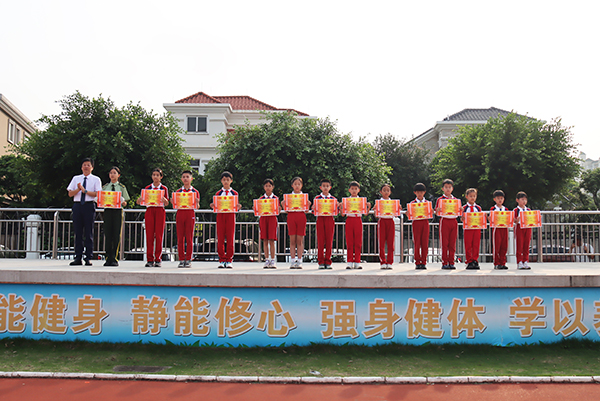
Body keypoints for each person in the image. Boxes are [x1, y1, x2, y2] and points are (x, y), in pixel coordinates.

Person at [67, 158, 102, 266]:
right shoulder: (76, 178)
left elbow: (97, 194)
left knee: (89, 232)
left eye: (88, 165)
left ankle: (88, 257)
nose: (86, 167)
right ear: (81, 167)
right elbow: (70, 193)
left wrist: (85, 191)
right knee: (78, 232)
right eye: (84, 165)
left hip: (89, 205)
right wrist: (79, 189)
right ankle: (78, 257)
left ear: (92, 167)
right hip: (78, 205)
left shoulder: (96, 179)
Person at [136, 168, 169, 267]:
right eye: (154, 175)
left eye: (157, 175)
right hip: (150, 210)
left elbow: (167, 203)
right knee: (149, 235)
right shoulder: (147, 188)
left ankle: (158, 259)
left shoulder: (164, 188)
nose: (155, 177)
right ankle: (150, 259)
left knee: (159, 235)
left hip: (159, 210)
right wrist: (139, 200)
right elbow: (140, 202)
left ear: (161, 177)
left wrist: (165, 200)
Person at [210, 171, 241, 269]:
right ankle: (221, 259)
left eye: (228, 180)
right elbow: (215, 205)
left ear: (231, 181)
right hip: (220, 216)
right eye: (224, 180)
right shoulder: (218, 193)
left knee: (230, 238)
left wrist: (238, 207)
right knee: (220, 238)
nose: (226, 182)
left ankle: (229, 260)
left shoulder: (234, 193)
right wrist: (213, 206)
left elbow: (236, 206)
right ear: (221, 181)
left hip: (230, 216)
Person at [101, 166, 130, 267]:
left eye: (114, 173)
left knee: (116, 235)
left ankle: (114, 258)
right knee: (108, 234)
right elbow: (101, 199)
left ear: (118, 175)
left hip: (117, 211)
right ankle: (108, 257)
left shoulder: (121, 187)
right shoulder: (105, 187)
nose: (112, 175)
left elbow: (125, 201)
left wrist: (123, 202)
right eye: (111, 173)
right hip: (108, 210)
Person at [281, 177, 310, 269]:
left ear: (301, 186)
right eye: (295, 184)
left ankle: (300, 260)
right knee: (292, 239)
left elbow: (306, 210)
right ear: (292, 185)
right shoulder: (289, 197)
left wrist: (308, 205)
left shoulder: (304, 197)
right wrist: (283, 205)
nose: (297, 186)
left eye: (299, 184)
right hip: (291, 216)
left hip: (301, 216)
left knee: (300, 240)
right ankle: (293, 261)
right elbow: (286, 210)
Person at [174, 170, 200, 268]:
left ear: (191, 179)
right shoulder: (178, 192)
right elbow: (175, 205)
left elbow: (197, 207)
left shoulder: (195, 192)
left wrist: (197, 202)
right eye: (184, 177)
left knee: (189, 237)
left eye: (187, 177)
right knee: (180, 237)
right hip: (180, 213)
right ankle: (181, 259)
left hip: (190, 213)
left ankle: (188, 259)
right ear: (181, 179)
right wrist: (173, 201)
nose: (185, 179)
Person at [342, 181, 370, 270]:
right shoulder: (346, 201)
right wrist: (341, 207)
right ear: (349, 190)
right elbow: (342, 214)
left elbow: (365, 214)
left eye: (355, 189)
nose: (354, 190)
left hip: (358, 220)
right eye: (352, 189)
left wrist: (368, 207)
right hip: (349, 219)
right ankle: (350, 261)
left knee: (358, 242)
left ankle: (357, 261)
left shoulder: (361, 201)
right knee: (349, 241)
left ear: (359, 190)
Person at [313, 178, 337, 269]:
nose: (325, 188)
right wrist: (313, 208)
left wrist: (338, 207)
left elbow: (337, 212)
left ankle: (328, 261)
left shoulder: (333, 199)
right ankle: (321, 262)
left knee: (329, 241)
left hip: (329, 219)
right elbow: (314, 212)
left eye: (327, 186)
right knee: (320, 240)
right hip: (320, 218)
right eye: (324, 186)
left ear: (330, 187)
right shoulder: (317, 198)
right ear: (320, 187)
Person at [435, 179, 459, 270]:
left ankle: (451, 262)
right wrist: (437, 211)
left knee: (452, 243)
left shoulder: (456, 200)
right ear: (443, 189)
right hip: (444, 220)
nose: (448, 189)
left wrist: (460, 209)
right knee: (444, 243)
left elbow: (459, 212)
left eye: (449, 187)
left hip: (453, 220)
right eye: (446, 187)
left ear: (452, 188)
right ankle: (445, 262)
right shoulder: (440, 199)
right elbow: (436, 213)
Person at [377, 183, 399, 270]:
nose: (386, 192)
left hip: (390, 221)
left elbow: (396, 214)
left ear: (390, 192)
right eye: (384, 190)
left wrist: (398, 208)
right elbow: (376, 215)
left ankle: (390, 262)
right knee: (381, 243)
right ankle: (383, 262)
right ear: (381, 192)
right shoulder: (379, 203)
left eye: (388, 190)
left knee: (391, 243)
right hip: (382, 221)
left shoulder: (393, 203)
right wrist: (375, 209)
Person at [257, 178, 279, 269]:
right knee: (265, 240)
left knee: (272, 240)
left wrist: (279, 208)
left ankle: (273, 260)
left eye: (270, 186)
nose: (268, 187)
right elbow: (258, 210)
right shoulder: (261, 199)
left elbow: (278, 210)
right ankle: (266, 259)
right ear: (264, 187)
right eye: (266, 186)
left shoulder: (275, 198)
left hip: (272, 219)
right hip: (263, 219)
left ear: (273, 187)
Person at [410, 183, 430, 270]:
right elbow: (410, 214)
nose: (420, 194)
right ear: (415, 193)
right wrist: (408, 213)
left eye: (421, 192)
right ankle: (418, 262)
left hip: (425, 222)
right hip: (416, 223)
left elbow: (430, 213)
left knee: (425, 243)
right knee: (417, 242)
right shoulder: (412, 203)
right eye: (418, 192)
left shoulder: (427, 203)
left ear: (424, 192)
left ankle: (424, 261)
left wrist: (431, 211)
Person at [462, 188, 482, 270]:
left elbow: (480, 218)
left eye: (474, 196)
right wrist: (462, 218)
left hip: (476, 228)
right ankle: (469, 260)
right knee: (468, 245)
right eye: (471, 196)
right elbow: (462, 218)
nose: (472, 198)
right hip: (468, 229)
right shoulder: (464, 207)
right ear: (467, 197)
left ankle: (475, 260)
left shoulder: (478, 208)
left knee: (476, 244)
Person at [490, 190, 509, 270]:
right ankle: (497, 263)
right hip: (496, 228)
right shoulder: (493, 209)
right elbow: (491, 219)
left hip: (504, 228)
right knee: (497, 246)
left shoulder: (506, 209)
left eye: (501, 198)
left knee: (504, 246)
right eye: (498, 198)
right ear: (495, 199)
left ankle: (503, 262)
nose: (500, 200)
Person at [513, 191, 532, 270]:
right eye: (522, 199)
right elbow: (514, 220)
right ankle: (519, 261)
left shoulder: (528, 209)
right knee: (520, 244)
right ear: (517, 200)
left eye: (525, 199)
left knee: (526, 245)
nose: (524, 201)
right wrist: (517, 220)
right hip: (519, 227)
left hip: (527, 228)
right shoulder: (516, 210)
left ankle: (526, 261)